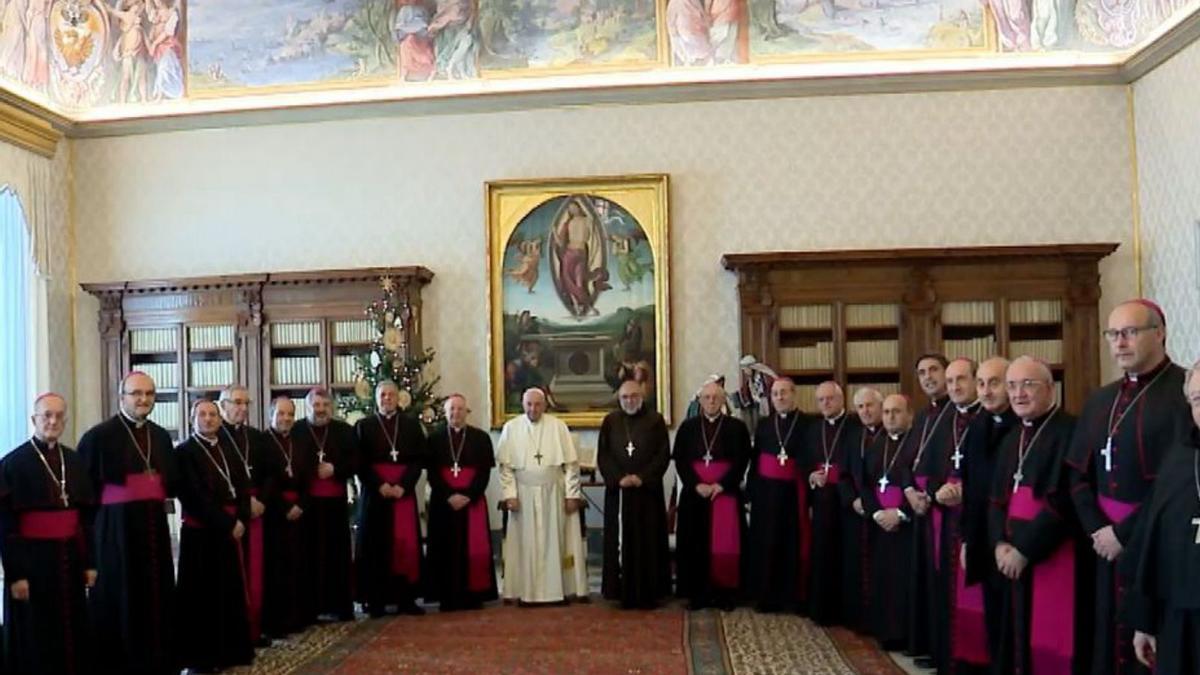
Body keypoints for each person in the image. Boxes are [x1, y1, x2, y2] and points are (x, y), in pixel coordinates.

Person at [1067, 300, 1188, 675]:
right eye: (1113, 334)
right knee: (1109, 641)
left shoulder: (1184, 393)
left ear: (1160, 333)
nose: (1119, 342)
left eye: (1130, 332)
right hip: (1104, 546)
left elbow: (1179, 483)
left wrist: (1124, 533)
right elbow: (1077, 475)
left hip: (1157, 545)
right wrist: (1098, 530)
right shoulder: (1100, 399)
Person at [77, 371, 177, 674]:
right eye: (136, 394)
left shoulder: (160, 436)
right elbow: (86, 496)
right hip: (114, 533)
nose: (143, 399)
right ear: (122, 396)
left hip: (154, 529)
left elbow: (168, 483)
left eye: (149, 394)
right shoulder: (98, 437)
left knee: (156, 594)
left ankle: (157, 660)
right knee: (120, 596)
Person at [988, 357, 1081, 674]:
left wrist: (1024, 550)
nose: (1018, 393)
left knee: (1051, 638)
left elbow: (1065, 501)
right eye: (1012, 385)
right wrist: (999, 543)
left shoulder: (1071, 431)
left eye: (1028, 384)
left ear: (1050, 388)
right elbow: (996, 500)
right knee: (1016, 636)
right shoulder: (1011, 438)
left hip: (1050, 553)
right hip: (1011, 556)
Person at [0, 393, 96, 674]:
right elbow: (6, 525)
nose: (53, 421)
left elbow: (87, 518)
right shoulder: (12, 463)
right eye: (47, 415)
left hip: (70, 559)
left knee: (71, 624)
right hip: (32, 563)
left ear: (65, 420)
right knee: (35, 631)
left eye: (59, 416)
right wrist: (16, 574)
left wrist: (90, 563)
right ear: (34, 419)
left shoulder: (75, 461)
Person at [1125, 360, 1200, 675]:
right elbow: (1150, 543)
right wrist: (1145, 621)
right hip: (1177, 618)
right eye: (1197, 399)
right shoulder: (1178, 461)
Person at [174, 400, 254, 672]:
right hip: (202, 534)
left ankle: (231, 650)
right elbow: (193, 495)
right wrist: (227, 523)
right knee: (202, 598)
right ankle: (202, 658)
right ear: (191, 418)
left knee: (228, 593)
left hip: (231, 528)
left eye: (213, 415)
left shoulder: (227, 445)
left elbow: (243, 486)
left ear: (220, 419)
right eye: (202, 415)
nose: (208, 419)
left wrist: (242, 517)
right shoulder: (184, 452)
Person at [497, 388, 588, 604]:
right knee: (524, 544)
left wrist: (571, 494)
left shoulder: (558, 427)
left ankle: (556, 591)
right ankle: (525, 592)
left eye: (537, 404)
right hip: (523, 495)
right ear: (523, 404)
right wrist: (510, 494)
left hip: (553, 493)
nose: (533, 409)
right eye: (529, 404)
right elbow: (505, 468)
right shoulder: (511, 428)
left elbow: (571, 466)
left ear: (545, 405)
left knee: (556, 542)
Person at [923, 358, 984, 673]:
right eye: (950, 382)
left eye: (961, 379)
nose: (955, 387)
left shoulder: (988, 419)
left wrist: (966, 491)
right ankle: (948, 661)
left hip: (977, 522)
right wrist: (937, 492)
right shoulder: (941, 420)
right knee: (945, 591)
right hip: (946, 521)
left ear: (976, 380)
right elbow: (929, 469)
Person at [674, 380, 752, 611]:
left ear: (723, 399)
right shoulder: (687, 427)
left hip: (725, 494)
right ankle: (696, 594)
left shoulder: (736, 427)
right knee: (694, 544)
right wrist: (696, 484)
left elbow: (743, 460)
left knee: (725, 545)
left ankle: (725, 595)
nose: (711, 401)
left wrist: (722, 484)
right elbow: (680, 460)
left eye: (716, 397)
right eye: (707, 397)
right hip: (694, 494)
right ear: (700, 401)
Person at [960, 356, 1017, 664]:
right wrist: (967, 539)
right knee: (993, 615)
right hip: (983, 537)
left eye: (994, 383)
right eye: (981, 383)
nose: (986, 391)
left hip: (1014, 541)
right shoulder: (977, 425)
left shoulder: (1022, 424)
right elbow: (970, 487)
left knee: (1015, 620)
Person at [355, 381, 428, 616]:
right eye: (383, 395)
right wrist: (380, 485)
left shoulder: (411, 426)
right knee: (375, 546)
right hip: (375, 495)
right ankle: (375, 600)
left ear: (399, 398)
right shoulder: (363, 426)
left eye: (392, 395)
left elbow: (418, 460)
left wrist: (403, 486)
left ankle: (405, 598)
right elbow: (359, 462)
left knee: (404, 547)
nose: (387, 399)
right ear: (376, 398)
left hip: (402, 495)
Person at [596, 380, 671, 609]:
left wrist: (642, 477)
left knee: (647, 541)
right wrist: (619, 478)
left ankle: (650, 592)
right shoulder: (611, 421)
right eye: (625, 397)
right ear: (619, 399)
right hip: (619, 492)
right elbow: (604, 455)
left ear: (642, 396)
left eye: (634, 396)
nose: (630, 401)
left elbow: (663, 455)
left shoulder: (655, 420)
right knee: (620, 541)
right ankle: (619, 591)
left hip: (646, 493)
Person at [903, 353, 953, 667]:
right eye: (922, 372)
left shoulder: (959, 414)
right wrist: (909, 490)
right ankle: (930, 646)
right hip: (920, 507)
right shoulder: (922, 417)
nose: (928, 377)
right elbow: (908, 460)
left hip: (943, 511)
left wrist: (930, 495)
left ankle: (945, 652)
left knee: (943, 584)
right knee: (924, 580)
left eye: (934, 370)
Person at [425, 394, 498, 611]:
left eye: (459, 409)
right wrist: (449, 495)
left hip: (471, 502)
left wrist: (468, 495)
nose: (456, 413)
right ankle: (446, 596)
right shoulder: (434, 439)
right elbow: (432, 473)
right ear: (445, 413)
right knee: (444, 549)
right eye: (451, 409)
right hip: (443, 503)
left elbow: (484, 473)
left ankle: (473, 595)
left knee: (472, 549)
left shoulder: (481, 438)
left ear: (467, 412)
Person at [746, 378, 811, 614]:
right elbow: (756, 459)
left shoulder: (807, 423)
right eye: (775, 394)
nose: (780, 397)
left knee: (791, 543)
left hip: (793, 492)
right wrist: (751, 491)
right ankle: (766, 596)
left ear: (794, 394)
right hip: (765, 494)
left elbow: (808, 458)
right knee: (766, 542)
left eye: (784, 393)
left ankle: (791, 597)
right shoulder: (764, 424)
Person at [292, 387, 357, 621]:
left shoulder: (344, 431)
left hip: (335, 504)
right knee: (308, 555)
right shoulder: (297, 430)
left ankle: (338, 606)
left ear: (331, 407)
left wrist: (335, 469)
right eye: (315, 406)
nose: (320, 410)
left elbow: (356, 462)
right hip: (307, 503)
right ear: (307, 407)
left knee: (336, 555)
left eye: (324, 406)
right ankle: (310, 609)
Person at [218, 385, 271, 643]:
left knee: (256, 571)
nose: (242, 408)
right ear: (223, 405)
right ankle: (236, 630)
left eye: (245, 403)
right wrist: (245, 503)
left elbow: (272, 474)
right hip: (231, 515)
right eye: (236, 402)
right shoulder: (215, 437)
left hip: (257, 511)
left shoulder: (256, 437)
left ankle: (255, 626)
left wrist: (260, 500)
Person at [805, 381, 860, 625]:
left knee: (846, 557)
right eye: (821, 400)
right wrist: (811, 475)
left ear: (841, 400)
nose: (826, 403)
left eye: (830, 399)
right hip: (822, 501)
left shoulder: (855, 426)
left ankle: (847, 612)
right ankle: (822, 610)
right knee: (822, 555)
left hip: (846, 502)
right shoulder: (813, 429)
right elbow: (806, 462)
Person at [863, 393, 914, 649]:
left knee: (904, 582)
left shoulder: (917, 445)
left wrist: (901, 513)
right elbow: (865, 486)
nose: (890, 417)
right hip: (880, 523)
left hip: (906, 527)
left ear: (909, 415)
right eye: (886, 412)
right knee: (882, 578)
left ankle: (905, 635)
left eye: (896, 411)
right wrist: (876, 513)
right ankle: (884, 631)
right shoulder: (875, 447)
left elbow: (921, 485)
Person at [261, 397, 314, 636]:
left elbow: (308, 479)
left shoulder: (300, 442)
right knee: (276, 568)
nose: (286, 419)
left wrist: (301, 504)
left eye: (290, 415)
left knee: (299, 564)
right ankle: (277, 621)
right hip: (274, 514)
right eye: (281, 414)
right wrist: (284, 507)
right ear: (271, 414)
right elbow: (265, 481)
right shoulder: (262, 442)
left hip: (299, 512)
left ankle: (297, 616)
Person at [843, 386, 884, 633]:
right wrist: (852, 500)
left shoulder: (892, 435)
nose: (865, 411)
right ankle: (859, 619)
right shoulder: (853, 437)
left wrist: (871, 505)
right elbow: (844, 475)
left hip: (882, 513)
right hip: (857, 512)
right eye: (860, 407)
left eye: (870, 405)